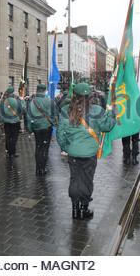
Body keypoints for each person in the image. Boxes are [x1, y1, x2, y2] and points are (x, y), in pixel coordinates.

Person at [57, 83, 116, 220]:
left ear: (75, 95)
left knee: (74, 179)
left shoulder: (66, 110)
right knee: (87, 180)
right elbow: (107, 127)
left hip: (73, 153)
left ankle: (75, 209)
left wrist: (65, 147)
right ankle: (84, 208)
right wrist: (111, 113)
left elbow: (60, 133)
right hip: (89, 153)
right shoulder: (96, 110)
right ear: (89, 96)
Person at [26, 84, 56, 176]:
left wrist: (30, 130)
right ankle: (43, 168)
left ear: (37, 90)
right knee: (45, 148)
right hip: (47, 127)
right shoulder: (50, 101)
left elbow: (28, 116)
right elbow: (55, 114)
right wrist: (53, 122)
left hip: (36, 127)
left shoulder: (32, 101)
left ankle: (38, 169)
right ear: (44, 90)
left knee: (38, 147)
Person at [0, 87, 23, 158]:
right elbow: (21, 109)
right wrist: (19, 117)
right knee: (14, 137)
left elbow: (0, 112)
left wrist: (4, 119)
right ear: (12, 93)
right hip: (15, 121)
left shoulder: (3, 101)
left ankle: (8, 152)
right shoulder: (17, 100)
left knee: (8, 136)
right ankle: (13, 152)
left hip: (7, 122)